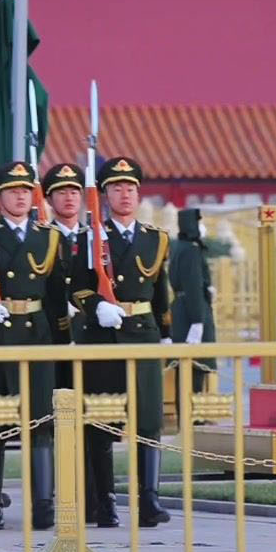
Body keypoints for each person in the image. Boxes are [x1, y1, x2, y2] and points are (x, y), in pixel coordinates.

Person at [65, 156, 173, 528]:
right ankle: (105, 501)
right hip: (103, 334)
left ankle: (149, 499)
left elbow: (161, 289)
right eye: (116, 188)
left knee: (147, 421)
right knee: (101, 421)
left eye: (130, 188)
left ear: (139, 194)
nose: (124, 195)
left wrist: (168, 331)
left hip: (142, 333)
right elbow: (76, 287)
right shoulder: (89, 238)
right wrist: (95, 306)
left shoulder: (155, 239)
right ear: (106, 195)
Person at [0, 161, 64, 531]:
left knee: (40, 420)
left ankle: (43, 501)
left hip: (36, 335)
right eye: (12, 191)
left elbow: (57, 294)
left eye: (26, 191)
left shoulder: (49, 236)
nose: (20, 196)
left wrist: (62, 345)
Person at [167, 207, 215, 394]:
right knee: (195, 368)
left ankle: (187, 416)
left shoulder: (179, 247)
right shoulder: (191, 250)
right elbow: (193, 286)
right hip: (191, 313)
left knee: (185, 370)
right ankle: (193, 418)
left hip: (181, 309)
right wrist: (197, 320)